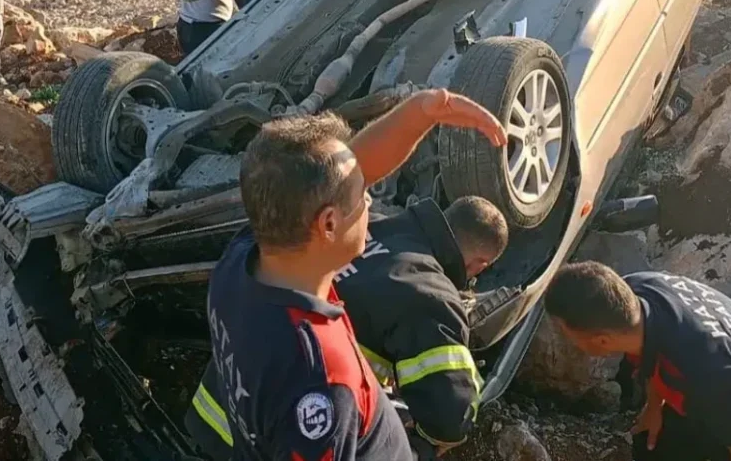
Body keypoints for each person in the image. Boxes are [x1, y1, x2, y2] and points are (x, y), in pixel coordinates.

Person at [196, 89, 507, 461]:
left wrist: (423, 112)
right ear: (328, 223)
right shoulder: (321, 383)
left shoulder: (243, 259)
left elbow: (349, 172)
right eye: (364, 197)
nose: (371, 204)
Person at [186, 195, 509, 460]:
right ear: (479, 264)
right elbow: (449, 418)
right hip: (279, 441)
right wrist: (418, 444)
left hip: (217, 408)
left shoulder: (364, 221)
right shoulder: (431, 296)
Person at [543, 262, 731, 461]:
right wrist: (654, 407)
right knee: (650, 448)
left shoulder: (707, 375)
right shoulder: (635, 291)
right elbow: (651, 350)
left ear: (601, 340)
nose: (566, 339)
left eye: (566, 332)